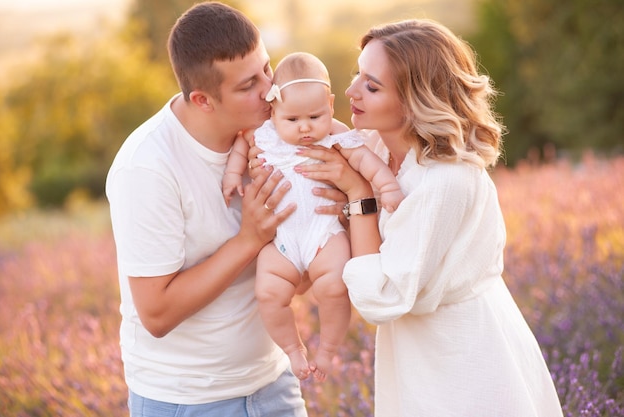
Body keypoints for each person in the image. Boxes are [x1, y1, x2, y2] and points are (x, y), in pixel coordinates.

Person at [294, 19, 564, 417]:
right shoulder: (374, 146)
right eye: (357, 75)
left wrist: (357, 194)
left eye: (372, 86)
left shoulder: (445, 181)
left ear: (415, 100)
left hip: (462, 356)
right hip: (413, 352)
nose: (350, 92)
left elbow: (381, 297)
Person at [105, 2, 308, 416]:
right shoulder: (147, 167)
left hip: (274, 384)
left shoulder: (272, 139)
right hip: (188, 400)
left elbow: (295, 276)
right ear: (202, 100)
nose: (271, 90)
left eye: (267, 69)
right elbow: (156, 314)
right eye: (249, 84)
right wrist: (249, 239)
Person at [223, 52, 404, 382]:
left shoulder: (335, 133)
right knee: (268, 293)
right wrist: (234, 174)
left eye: (315, 116)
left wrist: (386, 185)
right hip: (281, 241)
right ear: (273, 109)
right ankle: (294, 349)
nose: (305, 127)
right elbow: (240, 145)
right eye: (292, 120)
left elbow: (365, 161)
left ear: (330, 106)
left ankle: (328, 350)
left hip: (325, 233)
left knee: (335, 288)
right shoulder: (262, 133)